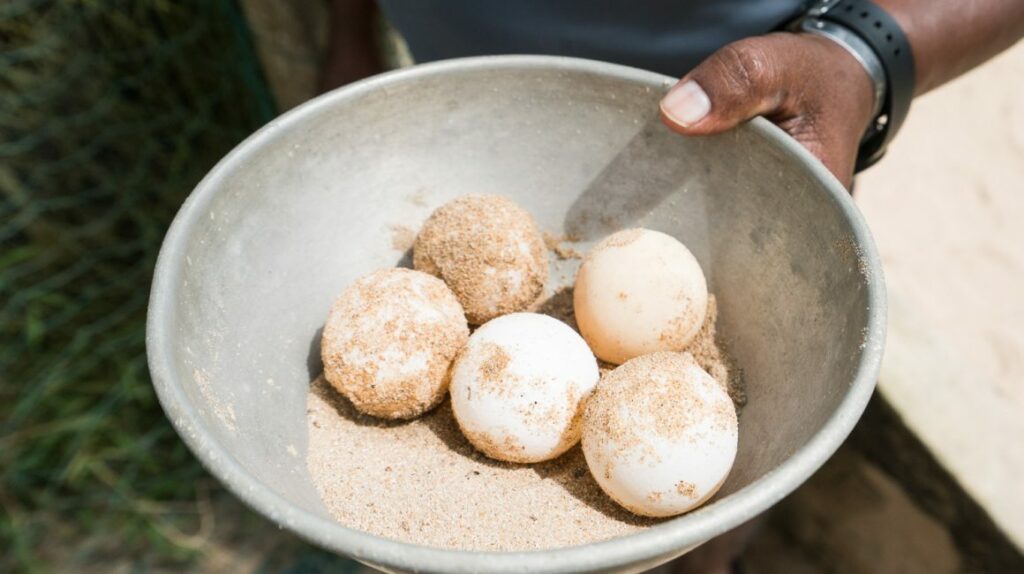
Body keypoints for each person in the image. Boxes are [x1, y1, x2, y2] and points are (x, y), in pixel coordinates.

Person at [318, 1, 1023, 571]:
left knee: (703, 529)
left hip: (738, 132)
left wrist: (863, 51)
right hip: (463, 88)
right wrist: (348, 29)